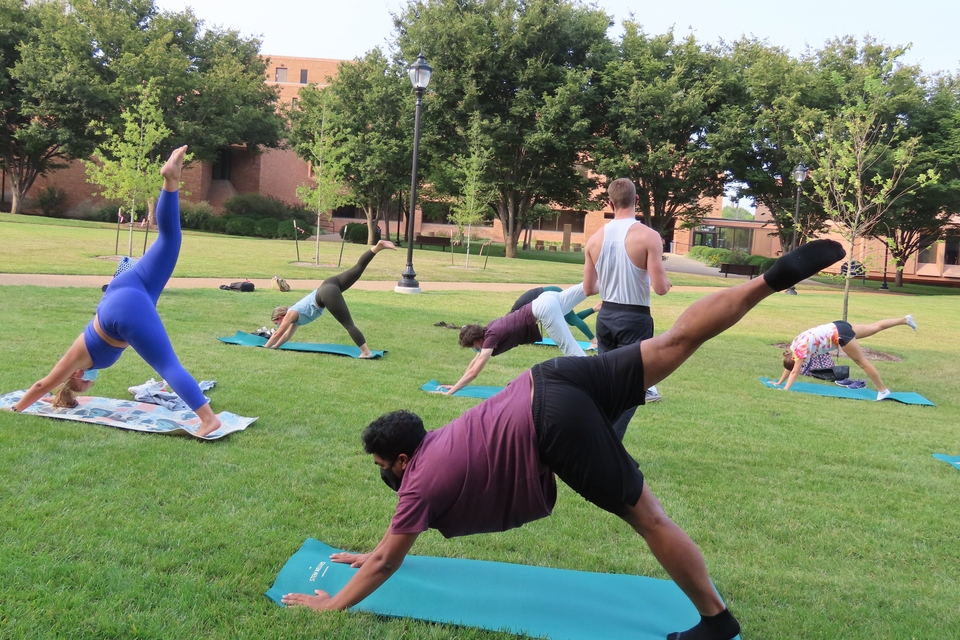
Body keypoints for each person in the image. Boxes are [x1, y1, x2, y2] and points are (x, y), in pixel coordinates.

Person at [281, 239, 847, 640]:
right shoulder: (441, 439)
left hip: (554, 419)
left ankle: (717, 621)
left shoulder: (417, 484)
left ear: (402, 459)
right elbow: (382, 551)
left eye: (384, 465)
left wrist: (331, 604)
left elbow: (386, 561)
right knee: (676, 339)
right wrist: (370, 554)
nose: (386, 474)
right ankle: (768, 281)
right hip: (551, 377)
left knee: (649, 518)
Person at [10, 146, 222, 437]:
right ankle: (170, 180)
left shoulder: (73, 361)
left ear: (76, 376)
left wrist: (17, 408)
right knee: (170, 239)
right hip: (130, 289)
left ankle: (208, 419)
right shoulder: (81, 362)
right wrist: (51, 399)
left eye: (83, 387)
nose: (89, 386)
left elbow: (42, 385)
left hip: (122, 309)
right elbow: (48, 391)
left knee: (168, 365)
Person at [584, 178, 672, 438]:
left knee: (607, 384)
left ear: (610, 203)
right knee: (634, 387)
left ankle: (598, 437)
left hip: (606, 317)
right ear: (636, 201)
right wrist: (666, 280)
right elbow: (660, 287)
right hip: (634, 319)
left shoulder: (594, 239)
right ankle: (608, 445)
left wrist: (613, 279)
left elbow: (589, 288)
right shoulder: (648, 236)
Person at [439, 283, 590, 395]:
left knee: (569, 348)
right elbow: (474, 363)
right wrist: (456, 385)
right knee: (588, 286)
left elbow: (474, 372)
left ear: (476, 341)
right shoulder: (489, 329)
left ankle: (594, 376)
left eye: (473, 346)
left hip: (544, 309)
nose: (475, 350)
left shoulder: (490, 339)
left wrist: (449, 393)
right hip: (547, 298)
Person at [264, 240, 396, 357]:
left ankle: (366, 352)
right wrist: (275, 347)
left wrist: (265, 348)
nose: (278, 325)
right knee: (357, 268)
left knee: (348, 324)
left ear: (281, 316)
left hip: (326, 293)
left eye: (277, 322)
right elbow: (287, 335)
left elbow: (278, 334)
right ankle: (378, 247)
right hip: (329, 284)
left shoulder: (290, 314)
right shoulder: (294, 320)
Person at [774, 315, 917, 400]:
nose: (802, 363)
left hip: (840, 336)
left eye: (801, 363)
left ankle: (883, 391)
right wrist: (779, 382)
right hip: (838, 325)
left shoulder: (799, 352)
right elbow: (790, 367)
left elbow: (794, 371)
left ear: (794, 358)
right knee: (874, 327)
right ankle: (904, 320)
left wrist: (785, 389)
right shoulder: (794, 346)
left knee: (863, 363)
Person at [510, 285, 602, 345]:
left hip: (550, 294)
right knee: (571, 320)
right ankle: (595, 308)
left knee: (572, 319)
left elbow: (522, 328)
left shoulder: (516, 313)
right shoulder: (517, 313)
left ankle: (594, 341)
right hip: (550, 294)